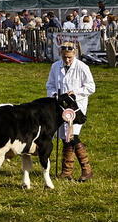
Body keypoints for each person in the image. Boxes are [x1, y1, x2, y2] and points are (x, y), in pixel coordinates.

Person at [46, 41, 95, 182]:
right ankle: (66, 172)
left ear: (74, 55)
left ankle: (86, 169)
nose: (67, 60)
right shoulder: (55, 66)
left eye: (70, 57)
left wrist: (76, 92)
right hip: (60, 107)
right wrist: (55, 94)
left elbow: (91, 87)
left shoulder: (82, 67)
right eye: (65, 57)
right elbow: (50, 85)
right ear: (61, 54)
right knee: (64, 137)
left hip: (76, 108)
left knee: (73, 136)